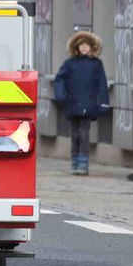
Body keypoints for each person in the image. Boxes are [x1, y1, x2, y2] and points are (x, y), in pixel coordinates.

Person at [51, 30, 110, 175]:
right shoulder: (69, 64)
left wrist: (103, 102)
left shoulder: (96, 64)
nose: (84, 47)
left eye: (86, 45)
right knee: (74, 134)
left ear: (92, 47)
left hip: (88, 104)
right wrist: (60, 95)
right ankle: (75, 161)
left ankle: (83, 162)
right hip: (72, 103)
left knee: (84, 133)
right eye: (81, 45)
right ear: (76, 47)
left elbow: (102, 84)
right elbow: (60, 79)